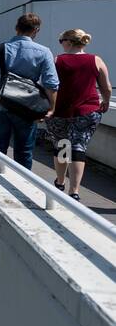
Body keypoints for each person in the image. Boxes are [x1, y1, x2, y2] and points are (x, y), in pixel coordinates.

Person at [0, 13, 60, 168]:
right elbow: (51, 84)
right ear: (36, 31)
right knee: (24, 151)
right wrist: (51, 108)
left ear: (16, 28)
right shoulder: (43, 52)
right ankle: (22, 186)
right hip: (27, 108)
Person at [43, 29, 111, 200]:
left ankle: (60, 181)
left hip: (61, 111)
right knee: (78, 147)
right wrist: (106, 101)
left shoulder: (58, 60)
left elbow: (49, 85)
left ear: (69, 42)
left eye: (61, 40)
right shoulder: (96, 60)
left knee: (63, 144)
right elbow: (106, 87)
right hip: (88, 111)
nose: (60, 43)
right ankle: (74, 191)